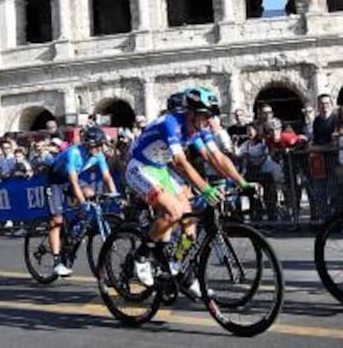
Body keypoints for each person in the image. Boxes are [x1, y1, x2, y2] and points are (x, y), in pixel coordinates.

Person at [126, 86, 254, 294]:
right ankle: (141, 255)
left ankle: (178, 270)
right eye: (205, 116)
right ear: (191, 113)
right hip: (139, 167)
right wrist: (204, 188)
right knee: (174, 212)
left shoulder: (198, 129)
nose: (207, 121)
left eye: (210, 117)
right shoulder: (171, 123)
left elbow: (216, 157)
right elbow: (179, 162)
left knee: (189, 221)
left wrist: (243, 183)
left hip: (159, 169)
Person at [46, 125, 118, 277]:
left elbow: (107, 177)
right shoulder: (74, 153)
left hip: (73, 178)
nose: (99, 149)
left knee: (91, 193)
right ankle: (57, 262)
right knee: (57, 219)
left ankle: (75, 228)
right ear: (87, 145)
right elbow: (73, 182)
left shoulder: (98, 155)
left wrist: (115, 195)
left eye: (100, 146)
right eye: (96, 146)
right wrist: (83, 204)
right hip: (55, 179)